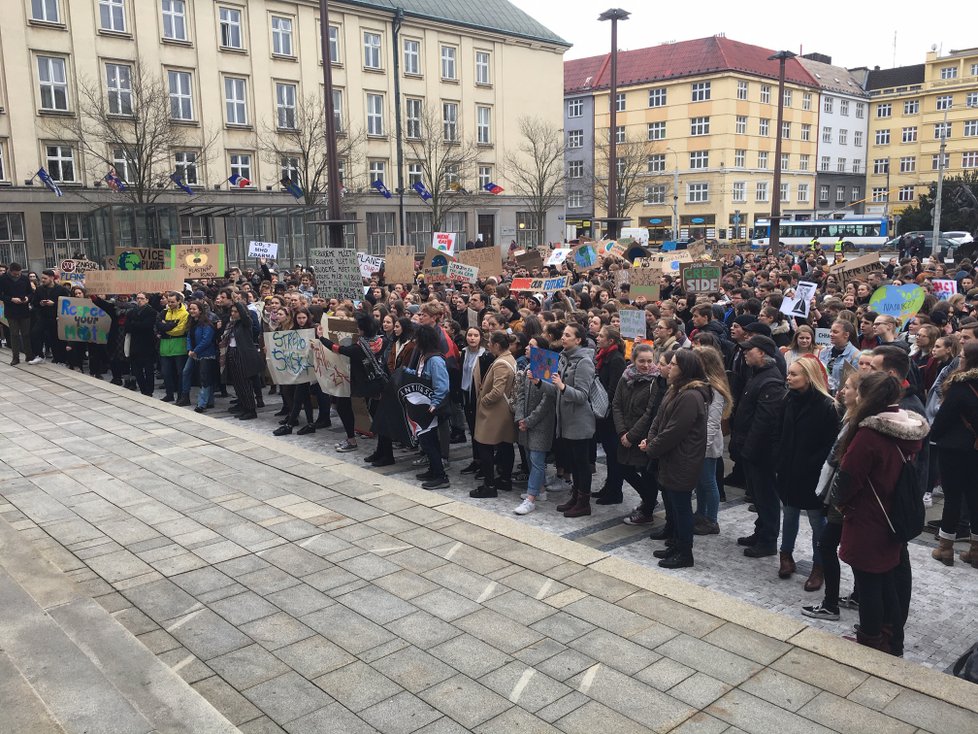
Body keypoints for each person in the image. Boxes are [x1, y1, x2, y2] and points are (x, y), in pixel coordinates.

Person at [834, 372, 928, 655]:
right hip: (893, 514)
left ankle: (871, 639)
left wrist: (840, 503)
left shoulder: (870, 434)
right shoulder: (908, 428)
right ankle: (891, 638)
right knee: (886, 579)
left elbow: (849, 477)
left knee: (869, 582)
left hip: (869, 517)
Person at [641, 349, 711, 569]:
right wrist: (651, 439)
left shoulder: (691, 396)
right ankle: (676, 544)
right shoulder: (676, 390)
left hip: (683, 459)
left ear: (685, 370)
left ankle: (685, 552)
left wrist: (651, 447)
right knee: (672, 502)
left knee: (681, 507)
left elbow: (674, 431)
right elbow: (659, 419)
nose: (669, 367)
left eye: (673, 364)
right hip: (670, 457)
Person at [776, 356, 840, 590]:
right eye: (789, 373)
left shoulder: (827, 406)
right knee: (789, 514)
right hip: (788, 470)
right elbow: (779, 433)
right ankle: (786, 555)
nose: (788, 377)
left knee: (817, 522)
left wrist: (810, 465)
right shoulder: (787, 399)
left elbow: (830, 445)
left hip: (812, 474)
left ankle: (819, 566)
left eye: (794, 374)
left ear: (808, 376)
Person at [803, 372, 861, 621]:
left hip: (843, 499)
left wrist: (837, 497)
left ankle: (830, 604)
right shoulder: (850, 418)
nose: (842, 390)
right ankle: (856, 596)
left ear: (859, 395)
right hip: (843, 497)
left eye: (847, 387)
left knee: (827, 545)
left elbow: (847, 465)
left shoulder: (859, 424)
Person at [731, 335, 787, 558]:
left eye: (749, 350)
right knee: (758, 495)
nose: (745, 353)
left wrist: (748, 451)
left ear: (762, 353)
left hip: (760, 453)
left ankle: (768, 540)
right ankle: (760, 531)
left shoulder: (770, 381)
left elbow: (764, 422)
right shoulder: (758, 374)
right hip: (750, 449)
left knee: (766, 496)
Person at [929, 341, 978, 567]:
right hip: (975, 448)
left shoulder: (960, 386)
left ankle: (945, 547)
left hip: (954, 448)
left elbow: (942, 420)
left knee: (953, 497)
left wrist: (934, 435)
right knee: (975, 497)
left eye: (961, 356)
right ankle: (976, 551)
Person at [613, 343, 668, 526]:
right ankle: (648, 500)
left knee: (646, 474)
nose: (646, 365)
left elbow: (649, 413)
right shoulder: (626, 377)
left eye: (649, 361)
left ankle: (648, 510)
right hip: (624, 432)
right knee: (624, 469)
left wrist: (631, 436)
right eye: (641, 361)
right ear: (633, 360)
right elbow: (617, 404)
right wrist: (622, 431)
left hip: (642, 436)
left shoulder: (656, 381)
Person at [316, 313, 386, 453]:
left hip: (362, 384)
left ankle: (356, 442)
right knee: (376, 414)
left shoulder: (358, 348)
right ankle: (382, 448)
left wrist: (322, 338)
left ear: (362, 330)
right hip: (377, 383)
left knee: (346, 408)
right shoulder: (382, 342)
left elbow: (338, 348)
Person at [553, 324, 597, 517]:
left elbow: (581, 396)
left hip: (579, 423)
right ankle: (575, 497)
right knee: (573, 462)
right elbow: (556, 389)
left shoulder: (584, 362)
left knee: (582, 464)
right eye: (563, 334)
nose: (563, 337)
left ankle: (584, 503)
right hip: (565, 421)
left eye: (568, 335)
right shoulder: (564, 358)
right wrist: (539, 382)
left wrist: (562, 387)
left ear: (578, 340)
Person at [470, 331, 517, 498]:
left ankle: (489, 485)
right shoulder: (509, 358)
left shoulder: (501, 363)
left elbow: (497, 391)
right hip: (501, 411)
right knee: (505, 445)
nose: (488, 345)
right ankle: (504, 479)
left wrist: (484, 401)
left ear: (497, 345)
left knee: (485, 446)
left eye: (490, 342)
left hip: (495, 412)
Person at [693, 347, 733, 535]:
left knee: (708, 482)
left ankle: (712, 519)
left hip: (706, 444)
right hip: (698, 442)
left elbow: (713, 421)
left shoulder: (715, 388)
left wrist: (703, 446)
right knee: (700, 482)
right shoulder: (701, 384)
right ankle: (700, 513)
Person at [513, 355, 558, 515]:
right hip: (525, 421)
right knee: (528, 455)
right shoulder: (528, 368)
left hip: (541, 423)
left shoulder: (549, 369)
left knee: (538, 459)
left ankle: (531, 498)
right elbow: (521, 394)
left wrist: (529, 421)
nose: (527, 349)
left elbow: (547, 400)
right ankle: (540, 489)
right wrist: (520, 417)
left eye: (532, 345)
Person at [411, 324, 451, 490]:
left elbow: (442, 386)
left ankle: (441, 476)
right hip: (423, 405)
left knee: (429, 441)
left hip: (431, 407)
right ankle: (433, 470)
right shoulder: (424, 356)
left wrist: (434, 404)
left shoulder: (434, 360)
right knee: (427, 440)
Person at [593, 326, 627, 505]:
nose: (597, 338)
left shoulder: (616, 360)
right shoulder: (604, 357)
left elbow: (613, 390)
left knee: (614, 456)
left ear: (610, 341)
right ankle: (609, 486)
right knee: (609, 454)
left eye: (601, 336)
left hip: (610, 416)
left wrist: (602, 405)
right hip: (604, 415)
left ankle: (615, 491)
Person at [222, 302, 262, 420]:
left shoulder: (246, 323)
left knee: (245, 384)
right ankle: (244, 406)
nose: (233, 314)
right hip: (232, 352)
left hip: (243, 355)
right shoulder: (233, 324)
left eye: (236, 312)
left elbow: (245, 317)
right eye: (232, 312)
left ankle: (251, 409)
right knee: (238, 383)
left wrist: (237, 302)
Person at [183, 300, 218, 413]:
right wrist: (190, 349)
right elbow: (188, 336)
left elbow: (206, 340)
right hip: (194, 353)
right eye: (190, 309)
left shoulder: (207, 324)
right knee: (188, 372)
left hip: (206, 355)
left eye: (194, 309)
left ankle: (202, 403)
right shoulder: (192, 322)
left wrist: (195, 351)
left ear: (200, 310)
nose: (191, 311)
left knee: (205, 379)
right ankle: (208, 401)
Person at [0, 263, 36, 365]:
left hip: (24, 309)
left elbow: (30, 293)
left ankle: (29, 355)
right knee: (14, 334)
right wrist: (11, 299)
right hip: (11, 310)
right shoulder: (3, 279)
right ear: (10, 271)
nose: (17, 275)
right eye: (15, 274)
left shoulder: (24, 279)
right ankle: (15, 357)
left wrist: (27, 298)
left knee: (26, 334)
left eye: (19, 273)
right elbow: (1, 295)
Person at [30, 269, 68, 364]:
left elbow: (67, 304)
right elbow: (34, 303)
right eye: (42, 278)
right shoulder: (40, 289)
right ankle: (39, 355)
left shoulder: (61, 289)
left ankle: (60, 359)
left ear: (51, 278)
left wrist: (54, 304)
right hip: (43, 317)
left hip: (56, 318)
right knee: (35, 333)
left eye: (45, 278)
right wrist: (40, 303)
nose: (42, 280)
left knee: (55, 339)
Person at [158, 291, 190, 402]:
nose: (170, 304)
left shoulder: (184, 314)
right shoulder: (164, 312)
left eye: (172, 302)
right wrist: (171, 325)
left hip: (179, 346)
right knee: (166, 373)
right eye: (169, 301)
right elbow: (158, 325)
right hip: (165, 346)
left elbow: (180, 330)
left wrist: (165, 328)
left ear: (179, 301)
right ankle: (169, 394)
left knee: (180, 373)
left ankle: (181, 396)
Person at [125, 293, 159, 396]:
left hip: (147, 344)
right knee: (136, 370)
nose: (139, 300)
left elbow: (147, 325)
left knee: (148, 369)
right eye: (138, 298)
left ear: (147, 300)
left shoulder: (151, 312)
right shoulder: (131, 312)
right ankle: (143, 389)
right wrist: (137, 324)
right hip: (134, 344)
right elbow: (127, 327)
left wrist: (134, 324)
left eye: (142, 298)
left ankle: (149, 390)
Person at [818, 319, 860, 394]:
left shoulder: (856, 356)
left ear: (846, 335)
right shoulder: (824, 352)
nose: (831, 334)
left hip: (841, 397)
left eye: (835, 332)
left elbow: (856, 382)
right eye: (831, 331)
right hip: (822, 395)